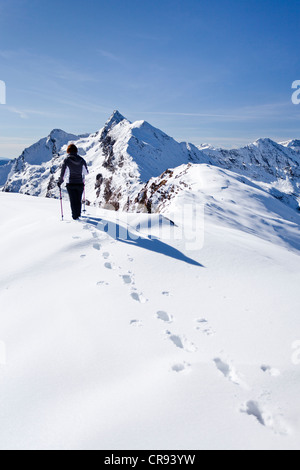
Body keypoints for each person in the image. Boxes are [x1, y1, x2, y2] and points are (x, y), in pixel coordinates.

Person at [57, 144, 88, 220]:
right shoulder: (81, 160)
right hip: (80, 183)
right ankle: (78, 214)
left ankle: (75, 217)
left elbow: (63, 173)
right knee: (78, 200)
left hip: (70, 184)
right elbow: (86, 172)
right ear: (76, 151)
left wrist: (60, 182)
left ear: (68, 151)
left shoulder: (67, 160)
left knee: (73, 200)